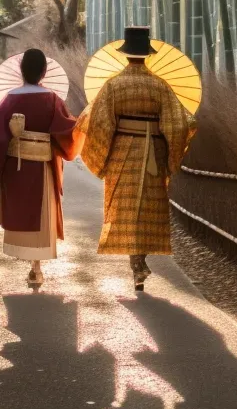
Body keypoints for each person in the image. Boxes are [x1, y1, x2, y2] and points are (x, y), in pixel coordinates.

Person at [79, 26, 197, 292]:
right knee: (146, 209)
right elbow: (178, 125)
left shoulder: (113, 85)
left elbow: (98, 124)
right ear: (147, 55)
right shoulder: (160, 86)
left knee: (127, 208)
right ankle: (139, 261)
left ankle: (136, 266)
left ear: (124, 54)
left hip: (122, 153)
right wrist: (172, 155)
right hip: (153, 151)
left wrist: (103, 155)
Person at [0, 48, 83, 288]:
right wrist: (80, 123)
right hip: (43, 165)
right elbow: (67, 132)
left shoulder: (10, 98)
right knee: (42, 212)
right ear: (44, 72)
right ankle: (37, 266)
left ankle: (32, 265)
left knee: (23, 211)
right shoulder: (52, 98)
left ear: (20, 71)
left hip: (16, 166)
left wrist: (10, 136)